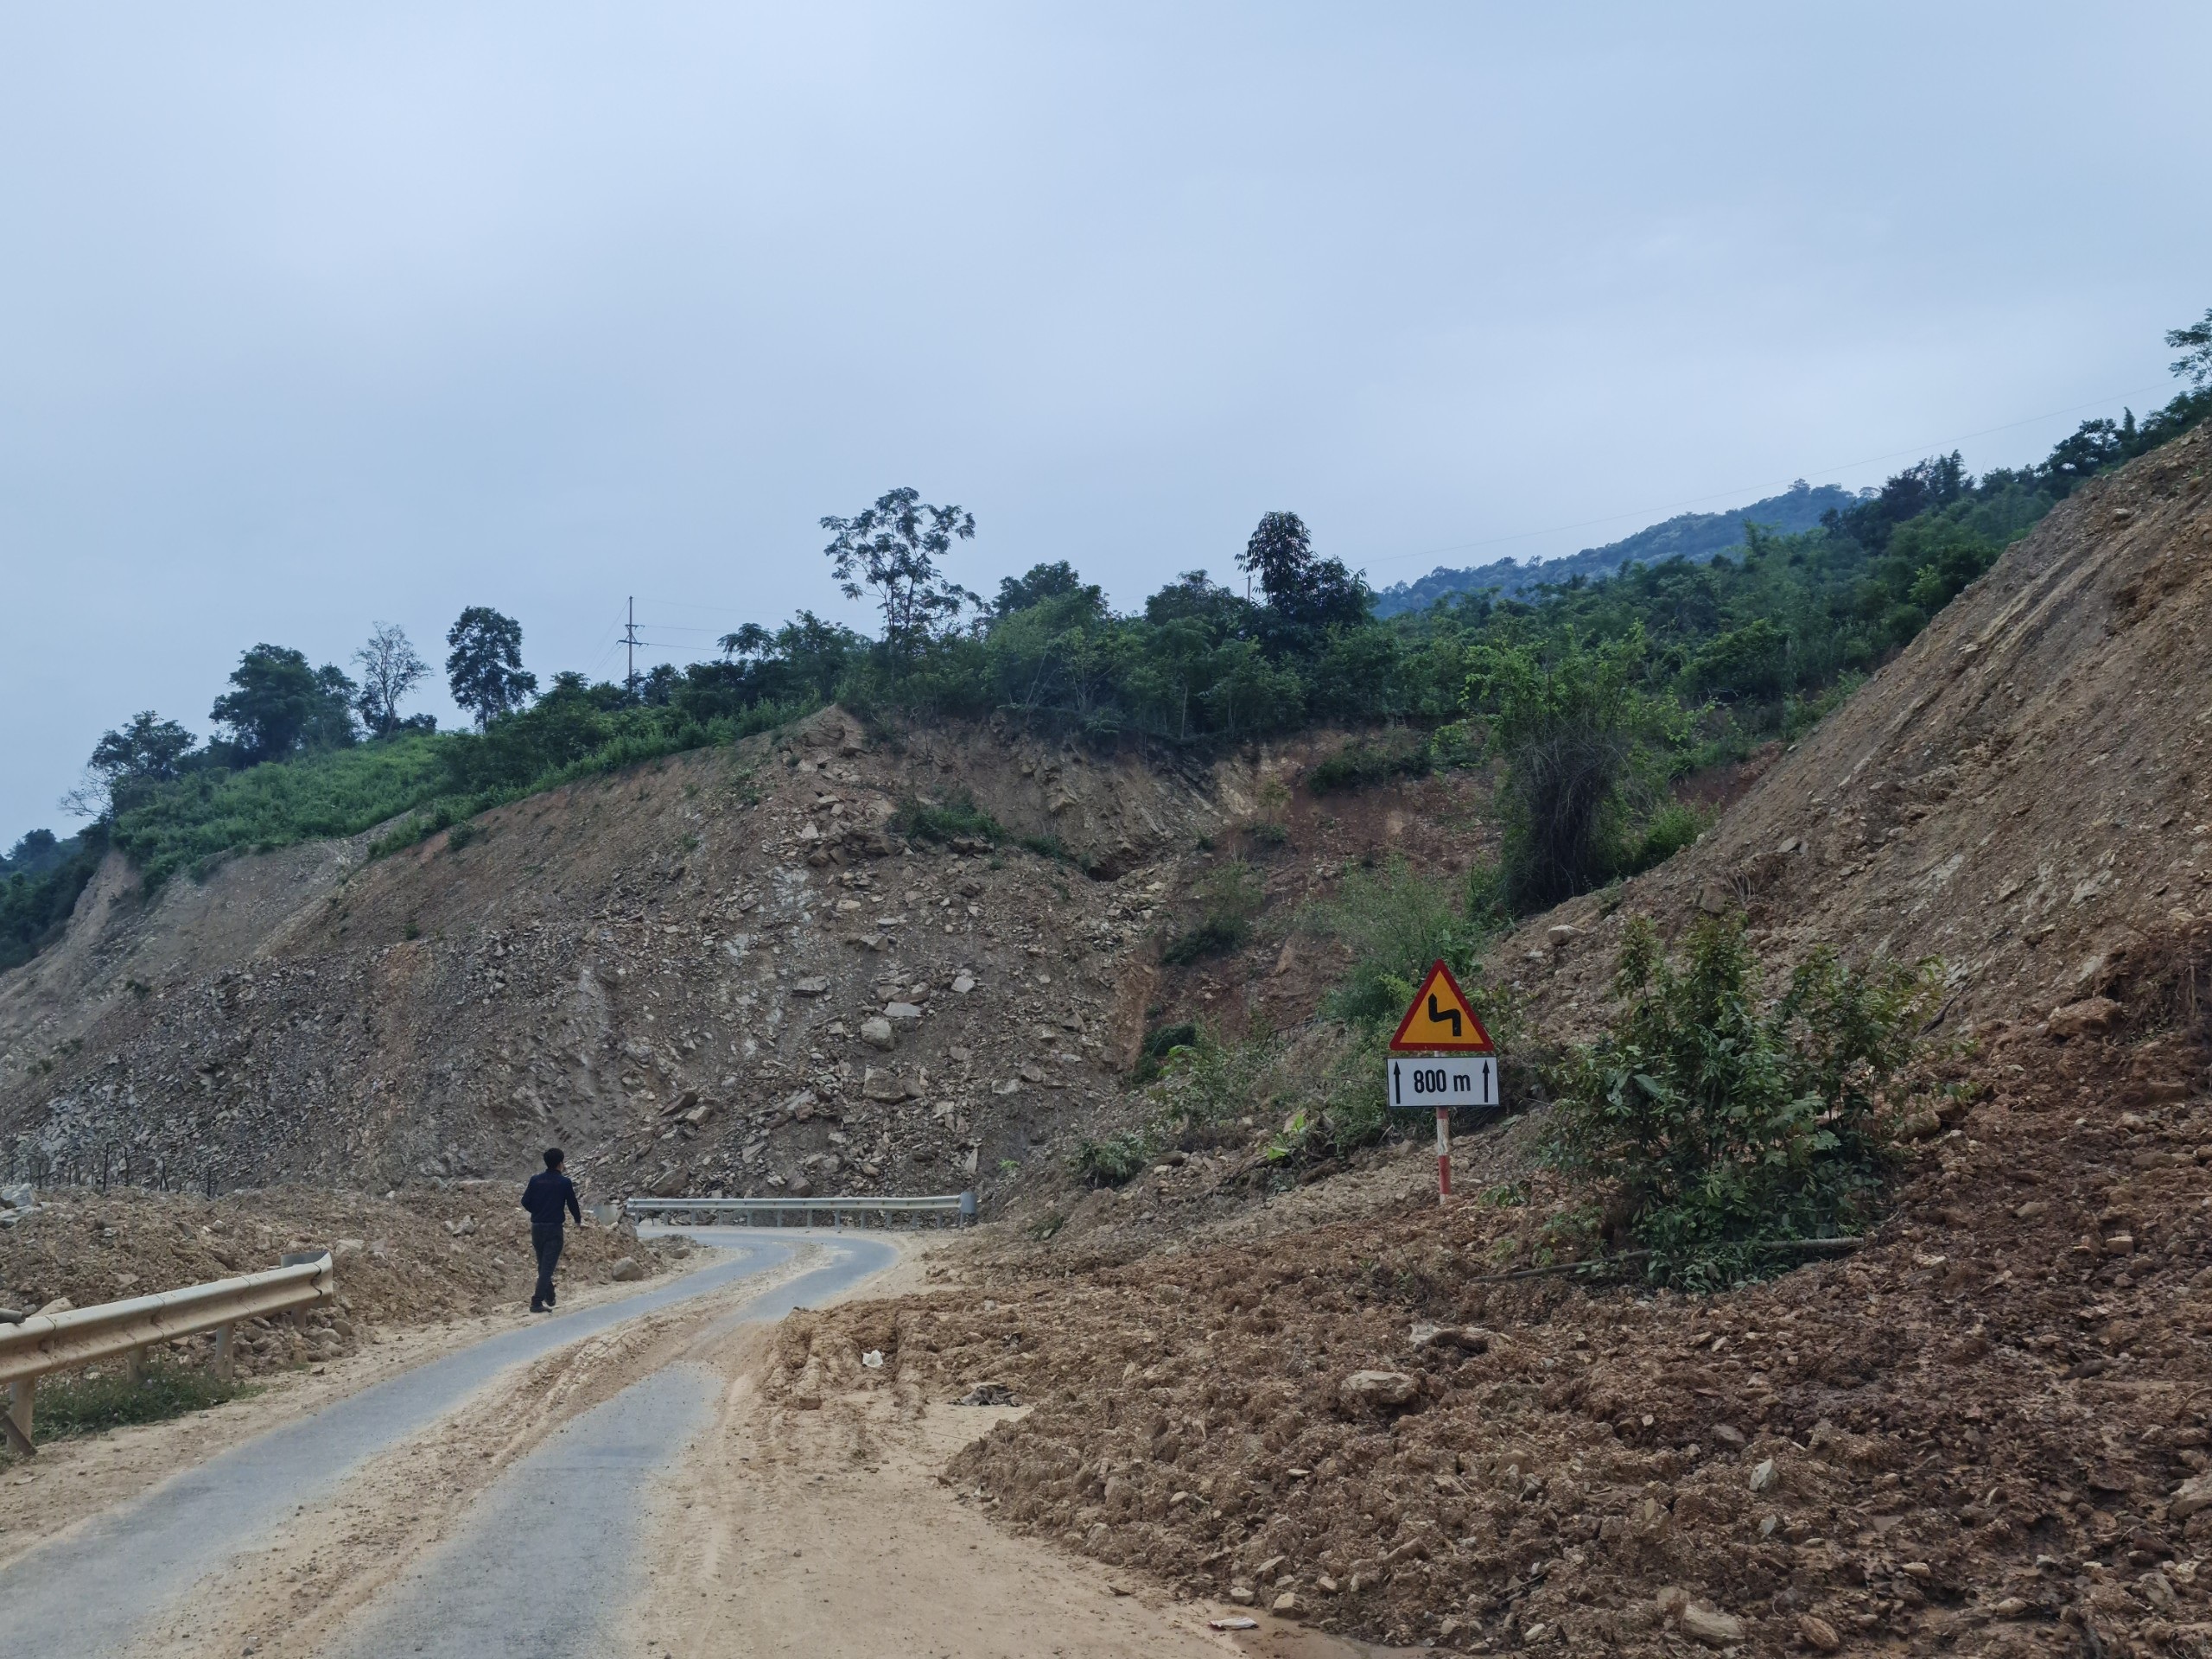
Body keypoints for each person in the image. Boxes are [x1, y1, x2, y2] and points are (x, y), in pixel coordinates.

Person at [520, 1147, 582, 1313]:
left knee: (543, 1265)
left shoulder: (535, 1180)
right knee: (547, 1267)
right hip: (554, 1229)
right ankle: (536, 1301)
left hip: (537, 1228)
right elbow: (572, 1203)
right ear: (560, 1164)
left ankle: (550, 1295)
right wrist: (577, 1220)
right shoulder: (564, 1183)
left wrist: (538, 1211)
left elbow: (525, 1201)